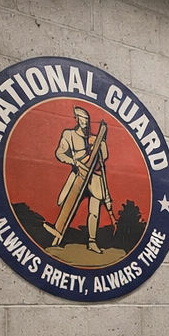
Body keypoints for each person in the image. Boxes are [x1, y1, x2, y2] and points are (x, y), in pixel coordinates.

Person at [56, 107, 109, 252]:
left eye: (87, 120)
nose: (85, 122)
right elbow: (60, 153)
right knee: (69, 206)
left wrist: (101, 143)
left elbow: (104, 157)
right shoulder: (69, 135)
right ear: (77, 119)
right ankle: (59, 237)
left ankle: (92, 241)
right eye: (82, 119)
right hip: (78, 174)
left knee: (94, 211)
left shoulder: (93, 138)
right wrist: (74, 161)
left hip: (95, 176)